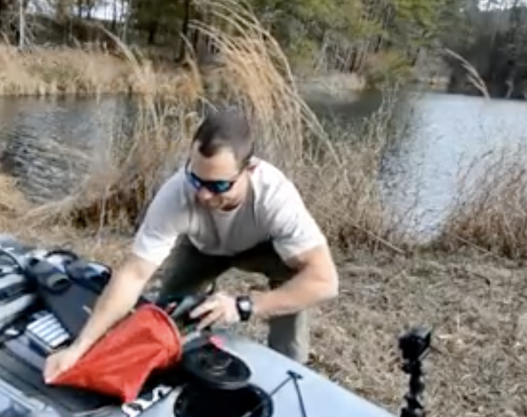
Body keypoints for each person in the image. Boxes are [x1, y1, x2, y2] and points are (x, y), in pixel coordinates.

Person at [43, 105, 339, 383]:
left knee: (295, 282)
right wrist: (78, 347)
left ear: (249, 170)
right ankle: (185, 363)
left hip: (264, 249)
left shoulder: (276, 197)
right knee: (167, 315)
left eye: (218, 186)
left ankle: (289, 372)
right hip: (204, 248)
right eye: (196, 179)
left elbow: (325, 281)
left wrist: (245, 306)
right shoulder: (176, 194)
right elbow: (133, 275)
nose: (203, 196)